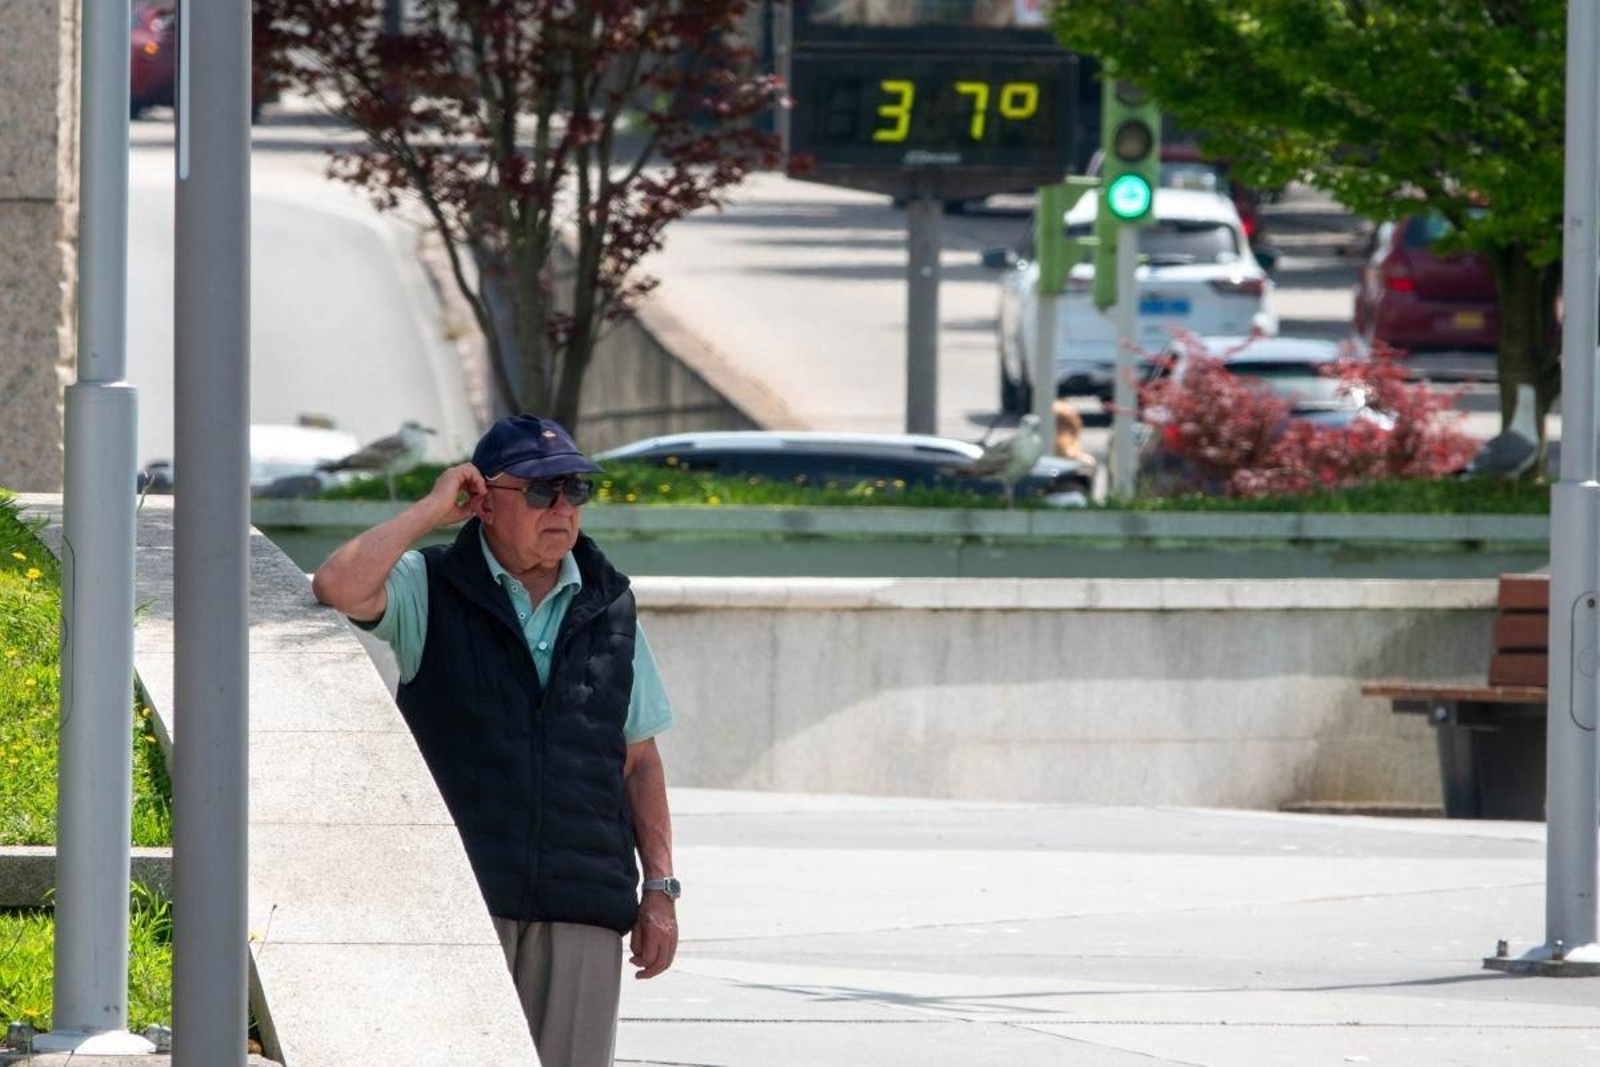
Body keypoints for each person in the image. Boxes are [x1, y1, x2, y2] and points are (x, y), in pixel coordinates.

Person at [310, 414, 679, 1067]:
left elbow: (640, 760)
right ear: (484, 502)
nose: (562, 508)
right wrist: (430, 510)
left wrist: (660, 888)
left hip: (582, 904)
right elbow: (337, 585)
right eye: (540, 491)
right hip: (459, 901)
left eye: (575, 489)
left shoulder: (611, 603)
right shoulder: (431, 585)